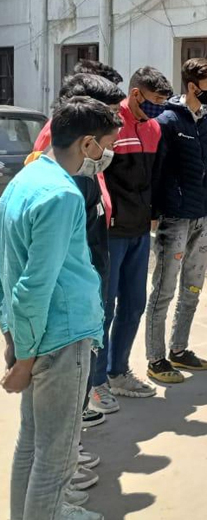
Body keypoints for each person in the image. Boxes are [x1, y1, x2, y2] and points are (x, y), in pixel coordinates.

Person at [2, 96, 119, 520]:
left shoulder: (25, 178)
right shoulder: (61, 195)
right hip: (60, 337)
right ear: (87, 144)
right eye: (107, 144)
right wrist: (25, 360)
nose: (107, 155)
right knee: (57, 455)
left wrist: (11, 333)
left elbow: (6, 267)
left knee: (33, 443)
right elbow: (34, 285)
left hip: (36, 333)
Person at [26, 73, 126, 431]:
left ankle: (74, 425)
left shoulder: (80, 161)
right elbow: (39, 271)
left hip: (90, 262)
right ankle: (68, 442)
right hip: (71, 288)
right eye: (108, 114)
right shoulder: (58, 171)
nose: (116, 124)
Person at [92, 67, 171, 403]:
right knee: (103, 308)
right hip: (110, 232)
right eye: (155, 101)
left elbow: (155, 176)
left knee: (134, 304)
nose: (159, 109)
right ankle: (95, 383)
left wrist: (152, 216)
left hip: (140, 230)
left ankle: (118, 370)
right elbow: (97, 177)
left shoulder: (153, 128)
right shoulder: (110, 123)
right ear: (136, 94)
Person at [146, 58, 207, 383]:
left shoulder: (204, 120)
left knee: (192, 287)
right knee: (164, 290)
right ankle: (156, 358)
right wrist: (154, 213)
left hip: (202, 216)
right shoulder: (167, 121)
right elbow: (156, 169)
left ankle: (180, 349)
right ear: (192, 87)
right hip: (175, 218)